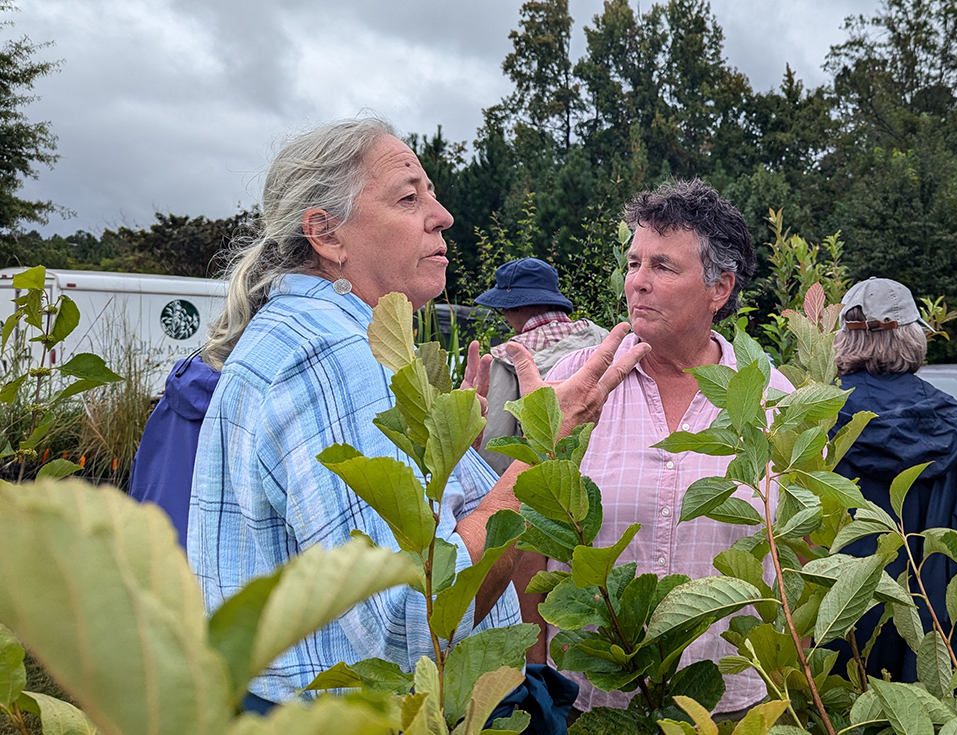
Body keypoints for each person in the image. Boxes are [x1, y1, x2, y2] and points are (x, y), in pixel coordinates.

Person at [187, 118, 649, 708]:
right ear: (326, 236)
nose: (443, 214)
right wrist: (543, 447)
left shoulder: (304, 331)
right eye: (410, 196)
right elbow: (413, 622)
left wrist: (460, 458)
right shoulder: (335, 352)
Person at [537, 179, 794, 718]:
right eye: (633, 264)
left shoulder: (772, 399)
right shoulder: (575, 384)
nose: (638, 283)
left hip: (728, 705)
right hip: (593, 702)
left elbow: (795, 549)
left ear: (719, 289)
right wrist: (536, 672)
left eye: (662, 267)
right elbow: (532, 540)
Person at [829, 277, 957, 681]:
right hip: (940, 641)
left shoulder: (813, 418)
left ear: (842, 339)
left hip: (835, 637)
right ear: (913, 337)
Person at [474, 257, 609, 475]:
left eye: (504, 310)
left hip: (546, 484)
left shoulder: (508, 358)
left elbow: (495, 449)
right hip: (609, 477)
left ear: (516, 308)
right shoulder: (607, 341)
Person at [129, 353, 219, 551]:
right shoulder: (249, 399)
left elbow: (141, 471)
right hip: (214, 556)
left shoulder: (176, 389)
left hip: (157, 543)